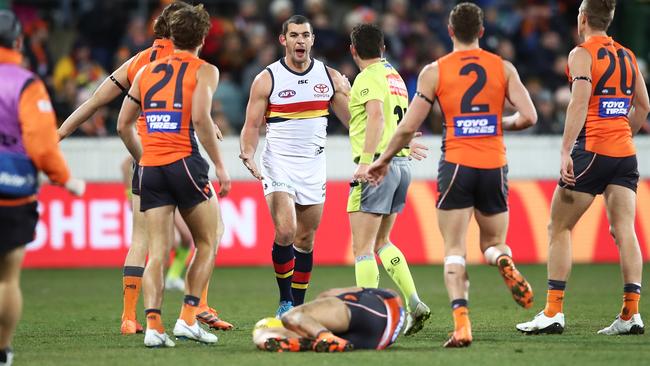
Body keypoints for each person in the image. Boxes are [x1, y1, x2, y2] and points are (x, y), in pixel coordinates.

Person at [367, 2, 538, 347]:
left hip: (457, 163)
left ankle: (462, 325)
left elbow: (406, 128)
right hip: (494, 164)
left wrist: (383, 159)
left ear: (449, 32)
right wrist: (493, 125)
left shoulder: (435, 71)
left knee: (454, 249)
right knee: (492, 243)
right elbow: (530, 117)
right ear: (482, 32)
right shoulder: (502, 68)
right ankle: (502, 259)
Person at [57, 1, 232, 335]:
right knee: (211, 233)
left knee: (142, 240)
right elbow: (193, 108)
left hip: (147, 158)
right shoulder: (190, 62)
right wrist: (206, 125)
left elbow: (96, 101)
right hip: (181, 155)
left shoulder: (140, 61)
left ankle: (129, 317)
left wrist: (61, 132)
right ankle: (196, 309)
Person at [516, 0, 649, 336]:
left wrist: (565, 151)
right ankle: (631, 314)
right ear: (612, 17)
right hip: (624, 155)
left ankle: (552, 312)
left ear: (583, 18)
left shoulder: (581, 54)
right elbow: (644, 106)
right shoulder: (629, 56)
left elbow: (578, 101)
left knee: (557, 228)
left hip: (591, 150)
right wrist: (622, 135)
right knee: (624, 231)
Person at [117, 4, 231, 347]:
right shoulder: (205, 71)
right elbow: (200, 120)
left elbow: (123, 125)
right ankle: (187, 318)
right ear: (203, 37)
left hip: (149, 168)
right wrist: (221, 166)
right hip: (184, 161)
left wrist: (145, 157)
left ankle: (153, 327)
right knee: (210, 239)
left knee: (157, 251)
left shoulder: (145, 72)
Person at [239, 15, 351, 317]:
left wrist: (350, 93)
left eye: (305, 35)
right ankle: (285, 301)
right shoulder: (268, 78)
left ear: (313, 40)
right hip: (278, 164)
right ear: (283, 40)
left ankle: (298, 309)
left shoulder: (328, 77)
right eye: (294, 35)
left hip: (313, 166)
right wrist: (248, 152)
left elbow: (355, 122)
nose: (300, 40)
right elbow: (251, 125)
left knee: (305, 238)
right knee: (286, 231)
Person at [0, 10, 85, 365]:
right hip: (10, 191)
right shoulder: (25, 83)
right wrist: (65, 179)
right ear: (19, 42)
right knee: (7, 278)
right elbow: (41, 144)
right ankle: (2, 351)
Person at [345, 23, 430, 337]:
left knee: (363, 248)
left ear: (353, 50)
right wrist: (404, 144)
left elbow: (377, 117)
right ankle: (414, 301)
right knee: (383, 242)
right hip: (401, 164)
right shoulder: (395, 77)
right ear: (382, 47)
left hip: (378, 168)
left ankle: (369, 320)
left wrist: (366, 164)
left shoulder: (368, 78)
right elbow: (400, 120)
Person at [119, 157, 194, 293]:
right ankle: (155, 282)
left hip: (172, 190)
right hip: (155, 192)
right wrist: (130, 195)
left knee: (185, 238)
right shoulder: (147, 140)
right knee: (165, 242)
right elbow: (125, 165)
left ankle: (171, 277)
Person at [253, 287, 404, 352]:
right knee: (290, 316)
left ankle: (319, 339)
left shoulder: (308, 322)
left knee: (288, 320)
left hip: (369, 337)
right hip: (384, 334)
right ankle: (322, 339)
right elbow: (328, 294)